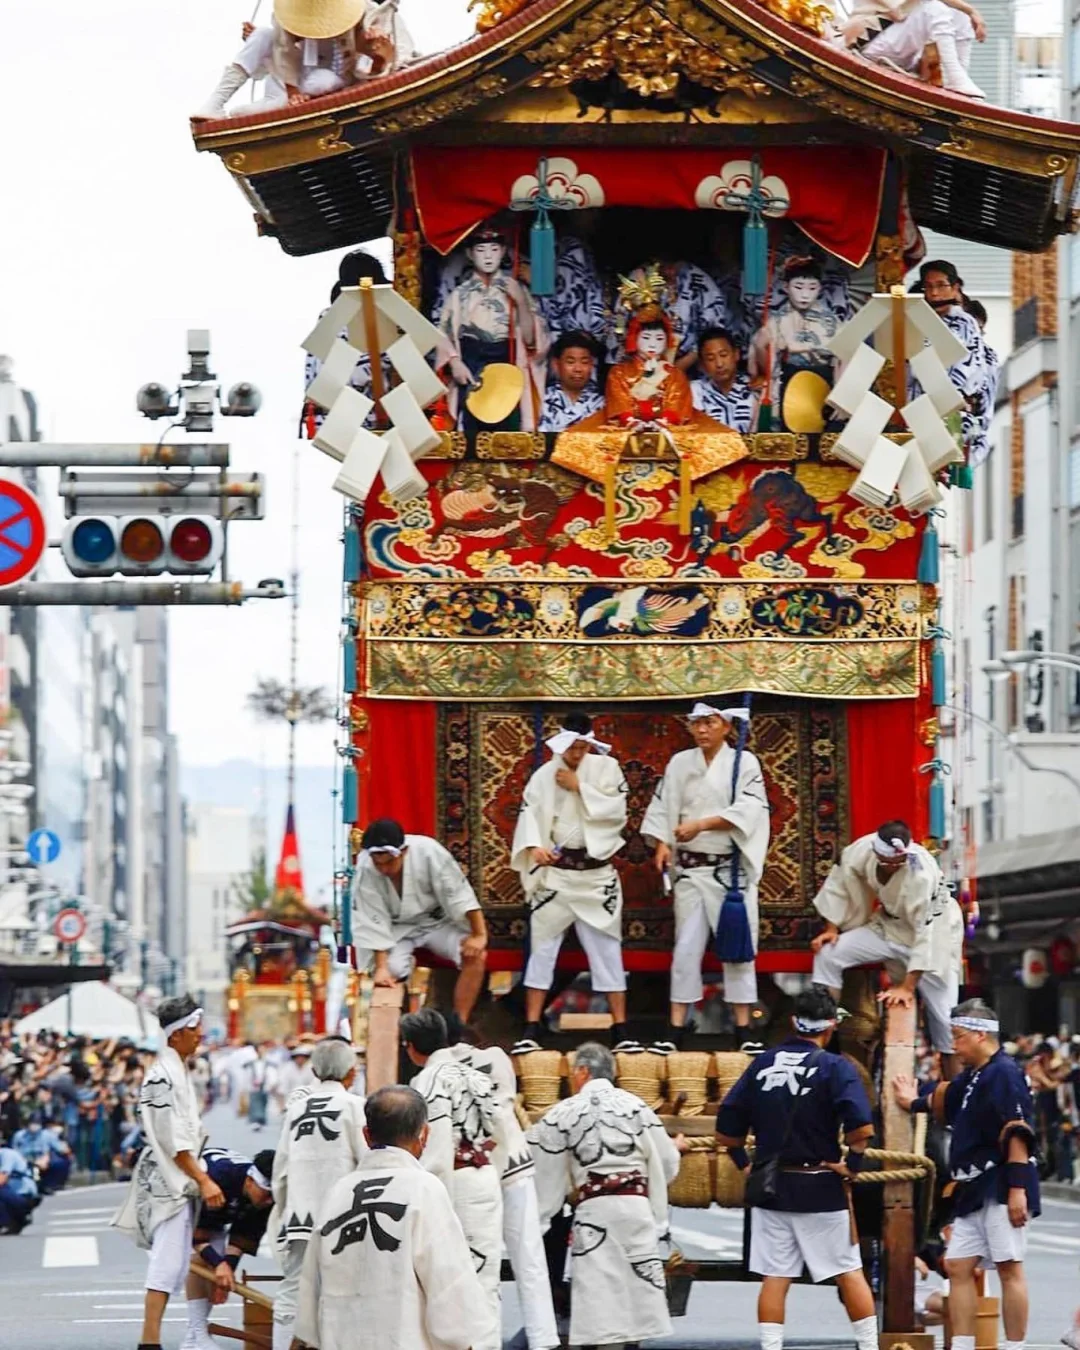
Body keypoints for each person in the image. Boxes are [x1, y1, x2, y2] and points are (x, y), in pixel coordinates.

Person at [715, 987, 878, 1350]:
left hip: (772, 1186)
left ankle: (771, 1347)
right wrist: (851, 1166)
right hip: (820, 1183)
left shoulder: (762, 1063)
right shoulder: (835, 1067)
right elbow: (860, 1128)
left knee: (775, 1276)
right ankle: (869, 1346)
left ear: (793, 1022)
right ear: (831, 1025)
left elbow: (727, 1130)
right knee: (848, 1271)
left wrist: (745, 1166)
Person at [295, 1083, 497, 1350]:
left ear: (367, 1136)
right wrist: (466, 1341)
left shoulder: (339, 1191)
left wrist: (305, 1338)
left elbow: (312, 1282)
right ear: (424, 1134)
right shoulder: (424, 1189)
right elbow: (448, 1281)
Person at [894, 998, 1040, 1350]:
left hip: (1001, 1180)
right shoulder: (974, 1075)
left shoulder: (1004, 1072)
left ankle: (1015, 1346)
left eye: (958, 1037)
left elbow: (1017, 1130)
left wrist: (1017, 1189)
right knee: (958, 1266)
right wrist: (912, 1101)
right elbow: (943, 1099)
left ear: (978, 1036)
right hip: (972, 1186)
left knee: (1008, 1266)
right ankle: (961, 1344)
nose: (954, 1045)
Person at [528, 1041, 683, 1350]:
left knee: (600, 1297)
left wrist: (543, 1211)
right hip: (636, 1207)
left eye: (574, 1072)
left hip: (595, 1213)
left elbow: (540, 1164)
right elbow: (667, 1160)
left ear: (583, 1071)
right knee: (635, 1294)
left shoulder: (564, 1112)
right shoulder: (637, 1106)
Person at [642, 701, 771, 1053]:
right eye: (695, 723)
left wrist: (702, 823)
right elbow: (662, 806)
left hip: (729, 871)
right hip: (690, 868)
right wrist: (663, 844)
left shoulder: (744, 763)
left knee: (738, 950)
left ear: (726, 727)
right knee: (685, 949)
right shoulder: (679, 763)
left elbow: (750, 810)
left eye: (709, 723)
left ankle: (744, 1029)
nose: (700, 730)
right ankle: (676, 1027)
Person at [511, 710, 632, 1054]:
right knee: (542, 951)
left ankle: (620, 1028)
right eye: (573, 748)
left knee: (608, 952)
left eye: (583, 747)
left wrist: (581, 787)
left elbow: (617, 811)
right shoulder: (544, 775)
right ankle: (531, 1025)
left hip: (596, 875)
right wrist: (535, 847)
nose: (578, 754)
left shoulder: (607, 769)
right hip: (557, 876)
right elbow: (529, 814)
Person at [112, 995, 225, 1350]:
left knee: (174, 1263)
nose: (200, 1034)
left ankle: (155, 1340)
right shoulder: (161, 1075)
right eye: (194, 1028)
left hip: (179, 1176)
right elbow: (172, 1139)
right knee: (167, 1262)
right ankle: (150, 1341)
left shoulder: (177, 1068)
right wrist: (203, 1179)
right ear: (176, 1034)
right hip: (170, 1178)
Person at [811, 819, 962, 1077]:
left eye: (896, 863)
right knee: (828, 955)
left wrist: (906, 987)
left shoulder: (920, 874)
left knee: (946, 1022)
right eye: (885, 861)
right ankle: (827, 1025)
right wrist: (832, 928)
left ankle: (956, 1093)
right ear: (876, 850)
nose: (891, 867)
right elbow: (840, 882)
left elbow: (925, 933)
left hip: (936, 935)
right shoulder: (862, 849)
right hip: (888, 927)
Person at [451, 1024, 559, 1350]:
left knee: (475, 1259)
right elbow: (504, 1103)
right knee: (529, 1257)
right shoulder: (497, 1057)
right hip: (513, 1164)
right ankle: (543, 1339)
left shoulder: (438, 1073)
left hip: (469, 1173)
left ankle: (476, 1339)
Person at [401, 1009, 504, 1350]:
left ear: (411, 1047)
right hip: (484, 1176)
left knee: (454, 1282)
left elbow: (438, 1143)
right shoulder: (473, 1074)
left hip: (455, 1182)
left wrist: (429, 1199)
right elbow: (497, 1129)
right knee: (485, 1278)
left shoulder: (428, 1080)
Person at [270, 1037, 368, 1350]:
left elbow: (281, 1168)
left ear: (314, 1070)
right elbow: (368, 1160)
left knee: (292, 1292)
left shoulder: (297, 1109)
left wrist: (284, 1209)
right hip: (344, 1215)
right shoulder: (356, 1107)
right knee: (348, 1289)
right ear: (352, 1073)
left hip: (300, 1215)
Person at [350, 818, 489, 1022]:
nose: (384, 869)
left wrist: (479, 934)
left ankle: (460, 1025)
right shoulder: (365, 867)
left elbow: (458, 893)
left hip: (438, 922)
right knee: (391, 972)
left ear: (403, 851)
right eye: (378, 863)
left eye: (389, 862)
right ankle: (404, 1027)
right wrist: (381, 968)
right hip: (396, 929)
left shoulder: (428, 851)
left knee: (475, 956)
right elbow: (372, 917)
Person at [193, 0, 418, 120]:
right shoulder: (288, 10)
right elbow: (283, 51)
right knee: (262, 35)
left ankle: (268, 107)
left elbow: (367, 68)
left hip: (330, 78)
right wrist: (292, 93)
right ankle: (215, 102)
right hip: (288, 79)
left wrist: (378, 55)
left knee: (321, 82)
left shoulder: (365, 11)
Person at [438, 226, 549, 434]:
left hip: (507, 365)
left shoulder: (516, 289)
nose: (488, 256)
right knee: (471, 433)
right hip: (471, 366)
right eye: (481, 250)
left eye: (494, 249)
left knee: (509, 431)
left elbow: (532, 341)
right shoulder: (459, 295)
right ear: (470, 254)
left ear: (504, 251)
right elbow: (443, 333)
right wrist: (454, 361)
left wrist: (521, 302)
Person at [182, 1145, 275, 1350]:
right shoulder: (221, 1179)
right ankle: (196, 1333)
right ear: (250, 1181)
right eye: (267, 1194)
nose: (269, 1201)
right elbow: (198, 1237)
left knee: (216, 1260)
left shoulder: (265, 1200)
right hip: (181, 1198)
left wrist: (227, 1269)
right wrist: (218, 1264)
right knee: (204, 1258)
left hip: (214, 1211)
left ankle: (194, 1338)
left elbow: (241, 1238)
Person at [915, 260, 993, 466]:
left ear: (955, 287)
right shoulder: (915, 318)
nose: (934, 293)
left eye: (941, 286)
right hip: (916, 404)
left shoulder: (965, 323)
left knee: (942, 466)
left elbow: (971, 370)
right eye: (928, 287)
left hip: (950, 407)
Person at [749, 257, 839, 429]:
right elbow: (764, 369)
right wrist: (761, 347)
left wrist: (840, 395)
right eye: (798, 287)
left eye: (812, 288)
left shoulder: (832, 321)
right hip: (788, 383)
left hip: (824, 384)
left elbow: (843, 359)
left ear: (819, 289)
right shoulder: (776, 321)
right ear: (786, 287)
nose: (805, 295)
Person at [837, 0, 987, 99]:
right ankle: (953, 76)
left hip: (903, 49)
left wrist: (968, 12)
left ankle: (957, 77)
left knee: (960, 15)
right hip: (872, 42)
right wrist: (971, 10)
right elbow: (897, 12)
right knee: (935, 8)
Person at [691, 328, 759, 433]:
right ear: (702, 364)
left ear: (736, 354)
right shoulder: (695, 391)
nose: (719, 364)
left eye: (723, 355)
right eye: (710, 359)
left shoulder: (754, 388)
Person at [539, 332, 605, 432]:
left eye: (584, 362)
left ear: (592, 365)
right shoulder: (541, 400)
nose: (578, 369)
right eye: (570, 362)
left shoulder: (602, 404)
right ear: (556, 364)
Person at [11, 1112, 72, 1194]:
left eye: (37, 1123)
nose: (34, 1126)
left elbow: (62, 1149)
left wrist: (47, 1157)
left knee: (60, 1162)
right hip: (25, 1162)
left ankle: (52, 1184)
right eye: (32, 1123)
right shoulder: (19, 1135)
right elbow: (14, 1152)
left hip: (43, 1161)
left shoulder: (47, 1134)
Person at [0, 1137, 39, 1234]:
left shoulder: (6, 1154)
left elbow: (2, 1179)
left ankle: (17, 1217)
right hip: (11, 1193)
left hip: (22, 1193)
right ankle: (13, 1221)